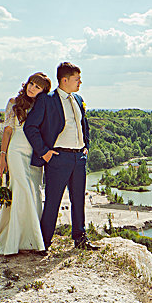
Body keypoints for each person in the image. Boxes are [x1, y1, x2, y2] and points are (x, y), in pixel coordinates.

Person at [24, 61, 98, 251]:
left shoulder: (78, 98)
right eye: (77, 79)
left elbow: (84, 125)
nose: (80, 83)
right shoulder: (47, 99)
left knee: (79, 200)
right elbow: (30, 127)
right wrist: (45, 153)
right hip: (58, 158)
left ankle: (80, 240)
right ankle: (44, 243)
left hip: (79, 159)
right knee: (53, 202)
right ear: (64, 80)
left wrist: (86, 146)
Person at [0, 73, 50, 256]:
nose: (31, 88)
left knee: (34, 192)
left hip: (34, 153)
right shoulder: (14, 102)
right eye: (31, 84)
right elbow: (8, 131)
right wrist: (2, 157)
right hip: (16, 150)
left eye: (37, 87)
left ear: (43, 91)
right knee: (22, 189)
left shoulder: (42, 105)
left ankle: (30, 240)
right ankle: (15, 242)